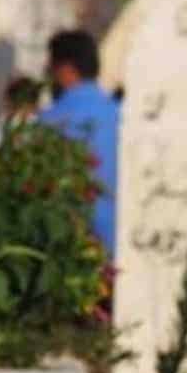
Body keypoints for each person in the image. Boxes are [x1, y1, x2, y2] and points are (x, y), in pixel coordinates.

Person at [37, 29, 119, 260]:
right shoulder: (121, 115)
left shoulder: (50, 121)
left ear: (65, 69)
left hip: (72, 250)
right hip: (120, 245)